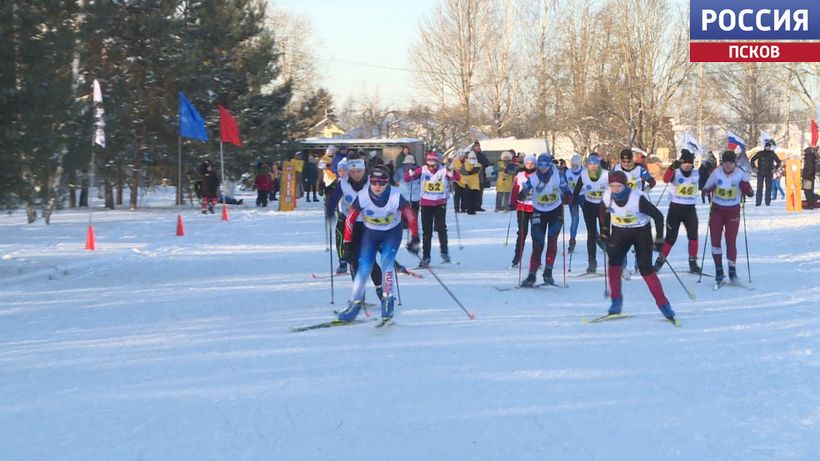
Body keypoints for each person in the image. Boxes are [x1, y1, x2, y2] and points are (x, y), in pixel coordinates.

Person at [337, 165, 420, 322]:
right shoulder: (363, 196)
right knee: (364, 265)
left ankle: (387, 300)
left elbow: (410, 215)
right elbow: (350, 219)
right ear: (370, 181)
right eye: (374, 182)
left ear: (387, 182)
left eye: (381, 183)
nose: (377, 186)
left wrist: (414, 236)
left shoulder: (395, 196)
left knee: (387, 263)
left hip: (391, 233)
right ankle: (355, 303)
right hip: (371, 233)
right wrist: (347, 242)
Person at [599, 171, 675, 322]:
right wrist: (605, 234)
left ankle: (663, 304)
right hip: (620, 232)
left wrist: (659, 239)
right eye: (612, 185)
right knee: (613, 264)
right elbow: (603, 214)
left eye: (618, 186)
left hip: (641, 232)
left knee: (645, 268)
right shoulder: (607, 196)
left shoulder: (636, 198)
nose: (615, 189)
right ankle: (616, 302)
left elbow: (658, 216)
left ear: (625, 186)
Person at [702, 150, 755, 285]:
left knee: (730, 241)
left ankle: (732, 271)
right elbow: (706, 186)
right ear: (722, 163)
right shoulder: (716, 173)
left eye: (731, 163)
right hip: (717, 210)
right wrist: (706, 190)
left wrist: (746, 189)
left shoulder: (740, 173)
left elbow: (750, 192)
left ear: (735, 163)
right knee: (715, 240)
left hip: (733, 210)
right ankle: (719, 271)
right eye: (725, 163)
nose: (728, 166)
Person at [517, 153, 569, 287]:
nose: (543, 167)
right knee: (538, 243)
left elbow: (565, 187)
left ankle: (548, 273)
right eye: (540, 165)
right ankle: (531, 275)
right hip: (539, 212)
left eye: (546, 164)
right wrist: (522, 193)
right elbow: (526, 187)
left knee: (552, 240)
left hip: (555, 211)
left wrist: (568, 195)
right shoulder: (534, 178)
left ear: (550, 164)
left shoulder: (557, 176)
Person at [405, 151, 459, 267]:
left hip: (440, 204)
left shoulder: (443, 170)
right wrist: (410, 173)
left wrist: (452, 172)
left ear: (437, 163)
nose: (431, 167)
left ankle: (444, 253)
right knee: (427, 232)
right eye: (429, 164)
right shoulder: (422, 169)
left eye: (433, 164)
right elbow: (407, 179)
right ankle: (426, 257)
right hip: (426, 204)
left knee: (441, 229)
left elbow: (456, 178)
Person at [653, 149, 701, 274]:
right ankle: (659, 262)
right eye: (684, 163)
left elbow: (708, 179)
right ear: (681, 164)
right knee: (670, 238)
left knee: (693, 237)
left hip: (690, 210)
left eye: (689, 163)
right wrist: (671, 168)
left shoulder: (696, 174)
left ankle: (693, 263)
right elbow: (665, 179)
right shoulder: (676, 172)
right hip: (675, 209)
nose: (687, 165)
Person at [572, 153, 609, 274]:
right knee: (591, 234)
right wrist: (573, 201)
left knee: (605, 234)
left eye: (595, 164)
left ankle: (614, 262)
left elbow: (616, 186)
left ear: (599, 164)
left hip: (603, 206)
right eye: (590, 164)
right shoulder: (584, 174)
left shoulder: (606, 174)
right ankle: (592, 263)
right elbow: (577, 189)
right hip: (589, 206)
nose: (592, 166)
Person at [509, 154, 537, 267]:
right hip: (522, 208)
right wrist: (512, 202)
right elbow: (515, 190)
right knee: (522, 233)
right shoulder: (519, 176)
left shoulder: (538, 176)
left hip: (535, 208)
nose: (529, 165)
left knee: (536, 234)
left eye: (532, 163)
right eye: (527, 163)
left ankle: (536, 259)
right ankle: (517, 257)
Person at [750, 141, 782, 206]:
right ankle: (758, 202)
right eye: (767, 146)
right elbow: (752, 160)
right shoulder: (760, 153)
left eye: (769, 147)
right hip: (760, 172)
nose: (768, 148)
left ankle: (768, 202)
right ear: (765, 147)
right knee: (759, 188)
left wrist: (775, 168)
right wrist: (754, 167)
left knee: (768, 188)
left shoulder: (772, 153)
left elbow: (778, 161)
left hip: (769, 172)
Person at [563, 154, 583, 254]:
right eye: (573, 165)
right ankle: (572, 240)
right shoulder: (567, 172)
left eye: (576, 165)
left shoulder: (584, 172)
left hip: (584, 197)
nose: (574, 167)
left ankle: (598, 239)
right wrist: (565, 195)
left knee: (590, 220)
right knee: (575, 219)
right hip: (573, 197)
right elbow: (563, 184)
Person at [453, 150, 481, 214]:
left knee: (465, 196)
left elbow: (468, 171)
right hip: (458, 181)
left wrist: (467, 171)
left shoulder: (468, 162)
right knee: (457, 195)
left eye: (463, 156)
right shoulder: (456, 162)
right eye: (461, 156)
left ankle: (463, 208)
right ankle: (456, 208)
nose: (462, 157)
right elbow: (458, 170)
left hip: (465, 181)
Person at [395, 153, 421, 217]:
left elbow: (395, 179)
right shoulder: (418, 170)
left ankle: (404, 226)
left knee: (403, 216)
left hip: (403, 197)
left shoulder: (400, 170)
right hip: (415, 197)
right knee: (414, 216)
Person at [472, 141, 489, 212]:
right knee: (474, 191)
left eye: (479, 146)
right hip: (474, 174)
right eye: (476, 146)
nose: (478, 147)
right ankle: (473, 205)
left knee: (480, 191)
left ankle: (478, 205)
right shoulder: (472, 154)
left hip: (482, 174)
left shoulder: (482, 155)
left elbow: (486, 162)